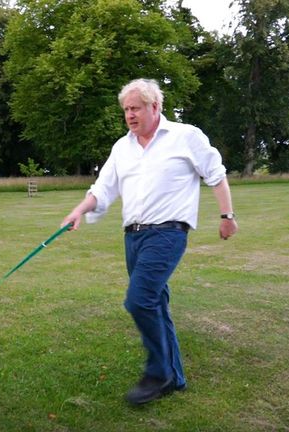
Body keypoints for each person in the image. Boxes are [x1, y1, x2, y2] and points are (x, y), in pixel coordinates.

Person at [61, 78, 238, 405]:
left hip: (168, 233)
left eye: (136, 108)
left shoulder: (185, 137)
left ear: (155, 107)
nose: (129, 115)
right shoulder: (121, 148)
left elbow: (216, 174)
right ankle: (175, 378)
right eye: (126, 109)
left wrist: (227, 217)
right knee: (155, 303)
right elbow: (103, 189)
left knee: (139, 300)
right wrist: (78, 211)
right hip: (134, 238)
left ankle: (158, 373)